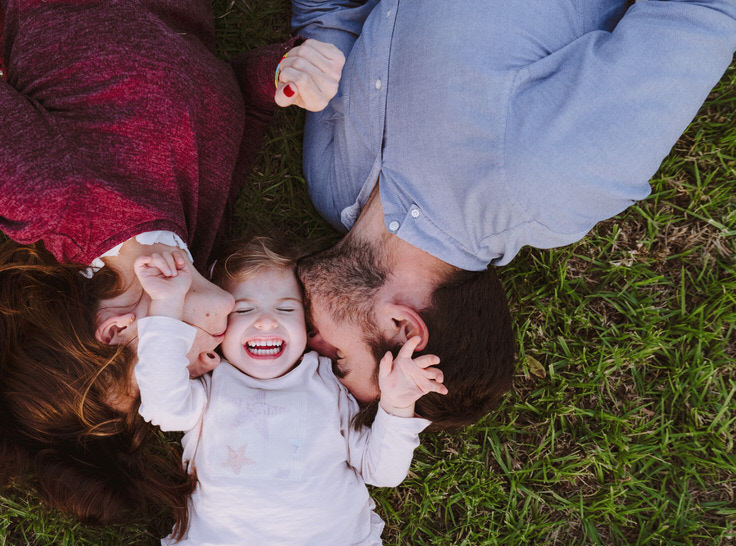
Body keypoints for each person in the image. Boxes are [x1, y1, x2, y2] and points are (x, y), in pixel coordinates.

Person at [0, 0, 341, 525]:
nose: (208, 368)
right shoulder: (194, 242)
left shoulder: (42, 191)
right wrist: (281, 75)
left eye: (167, 376)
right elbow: (236, 98)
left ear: (116, 330)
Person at [278, 0, 736, 428]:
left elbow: (331, 19)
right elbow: (700, 14)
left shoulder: (330, 186)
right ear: (403, 327)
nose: (304, 342)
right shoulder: (545, 184)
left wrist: (304, 62)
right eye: (335, 358)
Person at [46, 239, 448, 546]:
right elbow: (162, 405)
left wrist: (396, 407)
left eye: (285, 309)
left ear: (307, 329)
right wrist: (166, 305)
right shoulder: (208, 389)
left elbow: (383, 471)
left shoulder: (329, 388)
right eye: (244, 310)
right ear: (220, 326)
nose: (267, 321)